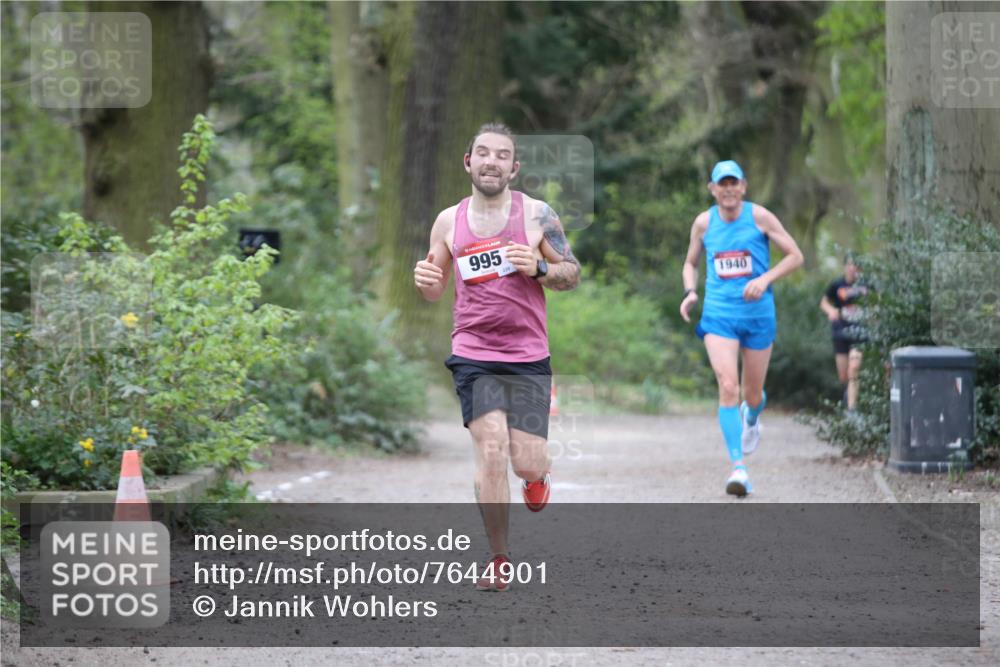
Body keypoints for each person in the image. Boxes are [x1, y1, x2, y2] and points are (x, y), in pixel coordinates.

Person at [413, 123, 581, 590]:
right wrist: (425, 283)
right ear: (468, 162)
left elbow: (572, 273)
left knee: (526, 460)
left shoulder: (538, 215)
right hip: (473, 352)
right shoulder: (449, 221)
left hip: (527, 354)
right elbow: (434, 285)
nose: (492, 161)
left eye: (502, 155)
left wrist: (540, 267)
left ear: (514, 167)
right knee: (490, 448)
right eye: (483, 153)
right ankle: (499, 558)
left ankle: (536, 477)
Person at [679, 160, 804, 497]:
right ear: (713, 189)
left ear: (744, 187)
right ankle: (738, 468)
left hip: (758, 316)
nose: (729, 189)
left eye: (734, 183)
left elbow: (795, 256)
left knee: (752, 395)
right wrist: (690, 292)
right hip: (719, 314)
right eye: (722, 184)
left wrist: (765, 279)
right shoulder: (704, 223)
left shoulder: (760, 217)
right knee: (727, 385)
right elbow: (690, 263)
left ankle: (752, 416)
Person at [820, 255, 869, 411]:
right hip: (840, 333)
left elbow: (879, 302)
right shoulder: (837, 284)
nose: (852, 268)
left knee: (854, 367)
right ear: (845, 267)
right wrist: (831, 311)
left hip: (860, 333)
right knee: (843, 376)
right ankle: (849, 399)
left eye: (855, 265)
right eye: (849, 264)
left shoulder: (866, 285)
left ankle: (852, 411)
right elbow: (824, 302)